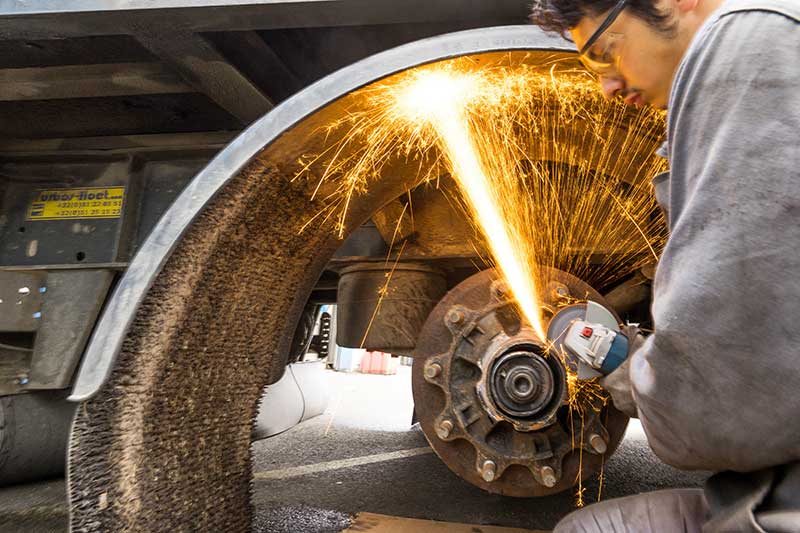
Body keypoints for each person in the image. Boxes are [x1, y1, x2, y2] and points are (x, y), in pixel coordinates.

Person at [528, 0, 800, 531]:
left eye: (606, 54)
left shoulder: (749, 45)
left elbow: (726, 401)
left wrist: (632, 373)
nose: (607, 86)